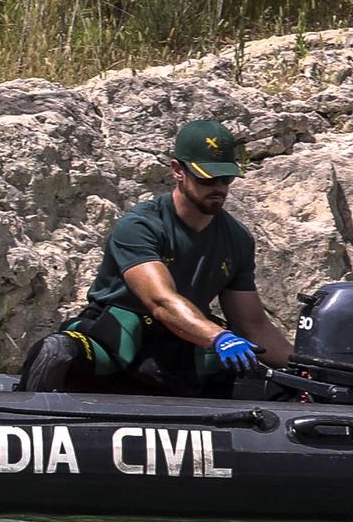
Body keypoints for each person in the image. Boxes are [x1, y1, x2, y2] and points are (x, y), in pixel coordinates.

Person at [18, 117, 290, 396]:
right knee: (56, 352)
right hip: (118, 340)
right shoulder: (141, 225)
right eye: (207, 177)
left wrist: (305, 369)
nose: (218, 187)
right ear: (177, 170)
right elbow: (162, 302)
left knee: (265, 378)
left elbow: (252, 325)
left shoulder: (237, 239)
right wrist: (218, 336)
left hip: (179, 349)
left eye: (226, 178)